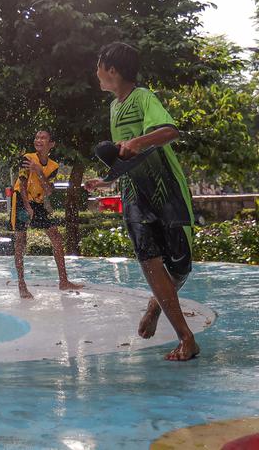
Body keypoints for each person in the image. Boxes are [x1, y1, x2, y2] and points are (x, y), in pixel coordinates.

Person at [83, 43, 199, 361]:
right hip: (135, 193)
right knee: (149, 262)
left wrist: (138, 140)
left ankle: (155, 305)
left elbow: (169, 131)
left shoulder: (143, 98)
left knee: (179, 265)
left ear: (112, 71)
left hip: (165, 188)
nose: (96, 73)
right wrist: (107, 179)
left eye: (99, 67)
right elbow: (126, 157)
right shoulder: (113, 108)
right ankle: (186, 338)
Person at [11, 130, 84, 298]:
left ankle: (63, 281)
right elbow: (21, 185)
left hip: (37, 202)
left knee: (56, 237)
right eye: (36, 137)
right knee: (21, 240)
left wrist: (38, 171)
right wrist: (28, 206)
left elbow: (49, 190)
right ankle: (22, 285)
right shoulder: (27, 158)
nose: (38, 140)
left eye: (43, 138)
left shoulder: (53, 166)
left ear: (51, 144)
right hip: (21, 201)